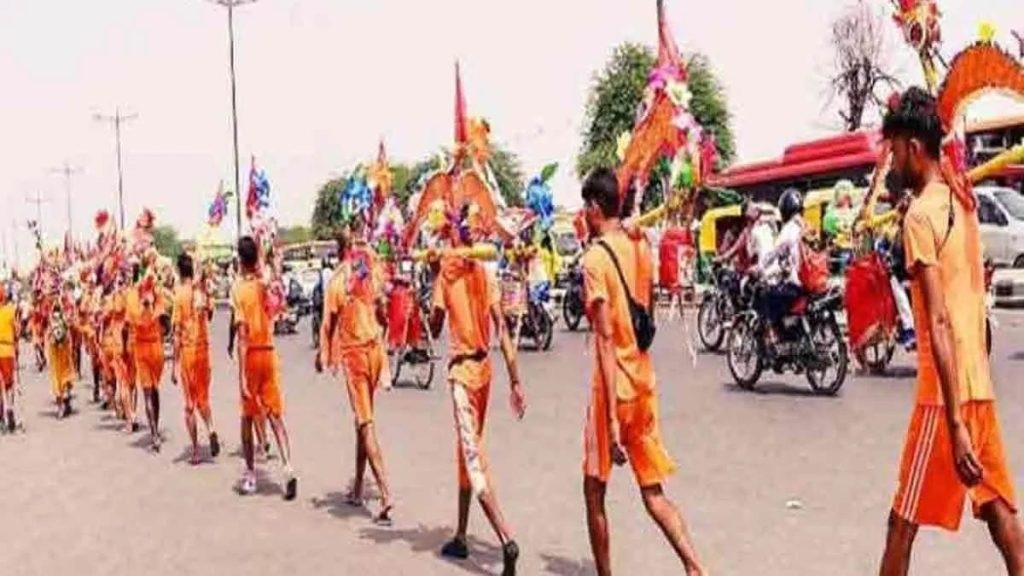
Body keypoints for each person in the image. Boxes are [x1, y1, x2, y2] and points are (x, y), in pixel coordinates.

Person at [878, 87, 1024, 575]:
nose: (891, 161)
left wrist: (956, 424)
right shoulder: (963, 201)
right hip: (976, 387)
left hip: (943, 402)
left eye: (894, 149)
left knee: (901, 523)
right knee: (998, 507)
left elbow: (939, 319)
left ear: (913, 148)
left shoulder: (921, 217)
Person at [578, 168, 707, 576]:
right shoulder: (638, 247)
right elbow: (645, 316)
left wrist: (613, 420)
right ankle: (694, 567)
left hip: (614, 391)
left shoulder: (595, 259)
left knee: (593, 490)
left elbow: (603, 339)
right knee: (653, 492)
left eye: (585, 208)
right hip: (644, 382)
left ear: (595, 208)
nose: (582, 215)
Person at [428, 205, 526, 576]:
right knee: (466, 452)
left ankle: (506, 539)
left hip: (464, 377)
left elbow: (435, 329)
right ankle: (462, 535)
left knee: (474, 459)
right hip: (486, 372)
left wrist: (435, 274)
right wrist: (515, 379)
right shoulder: (485, 272)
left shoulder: (448, 276)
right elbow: (501, 330)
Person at [318, 226, 394, 524]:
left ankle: (386, 494)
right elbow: (383, 311)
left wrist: (322, 356)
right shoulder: (367, 269)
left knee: (366, 423)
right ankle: (359, 487)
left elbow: (327, 326)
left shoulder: (337, 281)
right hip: (376, 349)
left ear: (338, 250)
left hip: (355, 357)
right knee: (361, 422)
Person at [231, 235, 297, 500]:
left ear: (240, 259)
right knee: (275, 416)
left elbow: (241, 334)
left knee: (248, 418)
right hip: (269, 353)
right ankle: (288, 467)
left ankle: (250, 475)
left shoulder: (238, 289)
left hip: (252, 356)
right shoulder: (264, 285)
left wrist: (241, 378)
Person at [172, 253, 221, 465]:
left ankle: (194, 450)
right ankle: (211, 428)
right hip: (203, 351)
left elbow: (176, 333)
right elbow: (210, 315)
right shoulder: (201, 292)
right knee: (204, 397)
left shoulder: (180, 295)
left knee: (189, 405)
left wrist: (174, 364)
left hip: (188, 353)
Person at [753, 188, 805, 336]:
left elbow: (772, 255)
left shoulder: (789, 229)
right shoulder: (806, 226)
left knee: (766, 297)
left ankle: (781, 336)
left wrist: (759, 268)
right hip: (811, 283)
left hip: (797, 284)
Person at [126, 268, 167, 451]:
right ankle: (156, 429)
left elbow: (128, 326)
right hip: (156, 348)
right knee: (155, 390)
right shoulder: (157, 297)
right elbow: (165, 322)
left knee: (147, 394)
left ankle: (154, 433)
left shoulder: (133, 301)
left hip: (141, 349)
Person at [715, 201, 775, 273]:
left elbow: (733, 251)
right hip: (758, 272)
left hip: (758, 273)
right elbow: (733, 251)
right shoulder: (747, 232)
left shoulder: (759, 230)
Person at [0, 288, 19, 432]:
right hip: (8, 351)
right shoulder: (10, 311)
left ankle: (2, 416)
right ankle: (10, 409)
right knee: (9, 384)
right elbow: (17, 331)